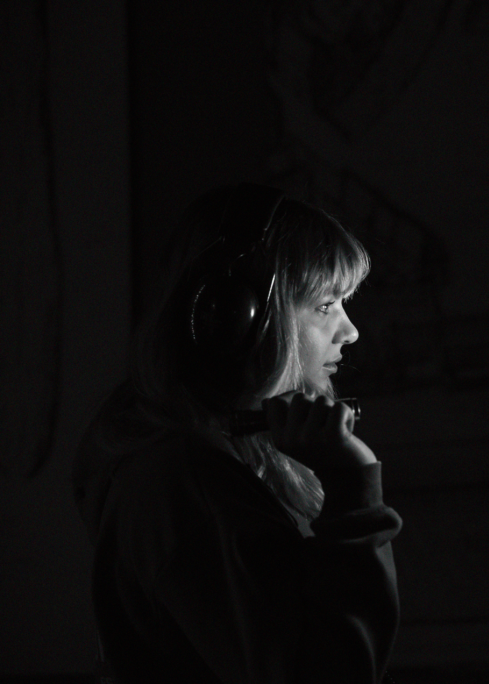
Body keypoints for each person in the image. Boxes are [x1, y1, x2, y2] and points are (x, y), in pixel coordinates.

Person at [72, 183, 401, 683]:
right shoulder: (187, 482)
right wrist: (353, 485)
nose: (350, 331)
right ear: (239, 316)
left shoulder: (205, 457)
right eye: (324, 305)